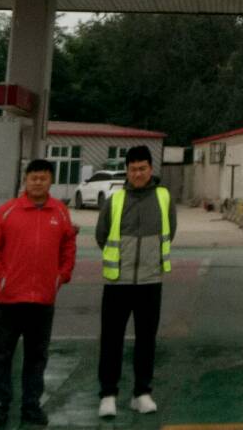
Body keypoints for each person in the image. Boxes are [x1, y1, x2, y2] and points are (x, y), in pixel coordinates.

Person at [0, 158, 77, 428]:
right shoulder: (7, 211)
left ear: (51, 181)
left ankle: (31, 406)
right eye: (33, 177)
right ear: (25, 180)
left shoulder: (60, 213)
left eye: (43, 177)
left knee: (37, 358)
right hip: (9, 300)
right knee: (2, 357)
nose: (37, 182)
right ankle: (0, 407)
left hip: (43, 301)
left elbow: (68, 246)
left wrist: (61, 276)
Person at [96, 144, 176, 418]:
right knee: (111, 340)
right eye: (133, 169)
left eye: (142, 168)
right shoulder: (115, 200)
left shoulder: (164, 198)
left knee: (146, 340)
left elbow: (170, 231)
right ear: (127, 171)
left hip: (150, 282)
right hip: (117, 283)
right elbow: (102, 235)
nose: (138, 174)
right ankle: (108, 394)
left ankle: (142, 393)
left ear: (151, 169)